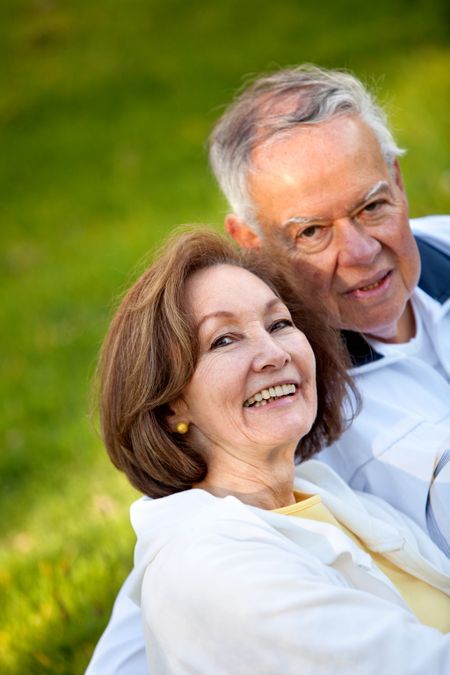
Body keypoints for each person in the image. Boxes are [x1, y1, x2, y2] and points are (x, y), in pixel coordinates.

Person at [86, 66, 450, 674]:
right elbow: (178, 604)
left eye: (372, 206)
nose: (360, 252)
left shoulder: (314, 488)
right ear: (250, 242)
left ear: (397, 180)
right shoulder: (281, 428)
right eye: (311, 231)